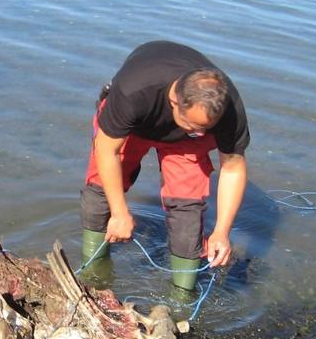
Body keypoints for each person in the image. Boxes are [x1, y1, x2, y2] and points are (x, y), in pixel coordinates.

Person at [80, 40, 250, 291]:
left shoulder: (228, 108)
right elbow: (107, 150)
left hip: (184, 145)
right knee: (99, 195)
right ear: (174, 101)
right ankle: (94, 277)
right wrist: (119, 212)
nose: (201, 133)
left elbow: (233, 167)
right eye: (193, 124)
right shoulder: (135, 90)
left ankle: (182, 298)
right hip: (135, 126)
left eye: (206, 128)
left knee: (187, 213)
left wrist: (222, 232)